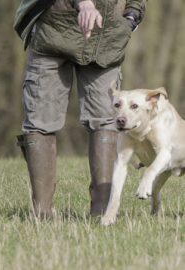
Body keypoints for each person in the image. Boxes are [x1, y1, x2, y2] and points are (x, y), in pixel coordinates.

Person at [15, 0, 146, 219]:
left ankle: (103, 213)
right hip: (54, 30)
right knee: (40, 120)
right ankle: (42, 213)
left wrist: (131, 17)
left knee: (106, 118)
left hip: (107, 37)